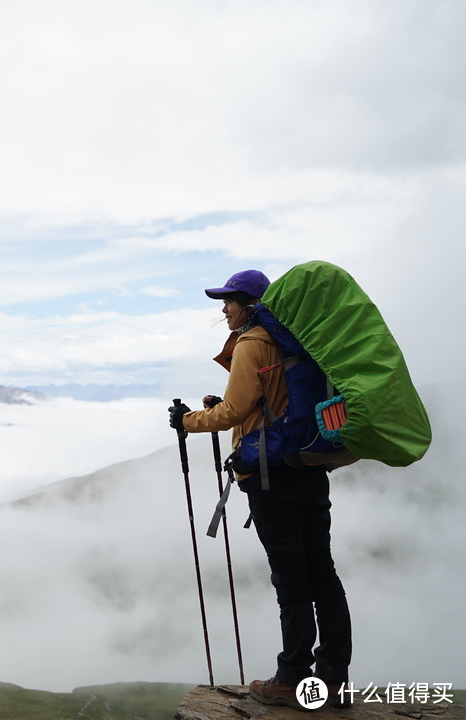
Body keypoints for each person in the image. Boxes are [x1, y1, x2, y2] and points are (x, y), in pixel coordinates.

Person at [167, 269, 352, 709]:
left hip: (271, 476)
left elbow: (232, 413)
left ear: (250, 303)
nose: (224, 309)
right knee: (322, 574)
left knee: (290, 579)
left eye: (230, 301)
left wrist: (190, 420)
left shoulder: (252, 344)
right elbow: (269, 404)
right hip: (307, 465)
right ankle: (333, 679)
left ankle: (291, 679)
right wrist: (231, 407)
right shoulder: (296, 340)